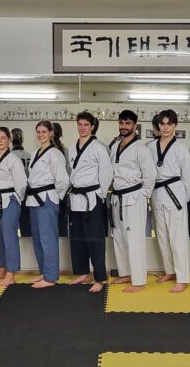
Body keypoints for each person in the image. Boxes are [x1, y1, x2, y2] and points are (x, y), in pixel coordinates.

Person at [109, 110, 157, 293]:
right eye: (121, 123)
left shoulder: (141, 148)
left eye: (127, 123)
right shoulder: (115, 146)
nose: (123, 127)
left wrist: (143, 196)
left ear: (135, 126)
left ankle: (139, 281)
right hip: (117, 197)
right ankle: (126, 273)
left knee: (134, 239)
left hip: (134, 197)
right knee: (119, 237)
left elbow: (150, 175)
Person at [150, 109, 190, 293]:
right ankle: (169, 271)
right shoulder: (150, 146)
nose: (165, 127)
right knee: (161, 235)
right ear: (158, 126)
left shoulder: (180, 148)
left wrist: (183, 196)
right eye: (162, 124)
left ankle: (182, 277)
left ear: (175, 125)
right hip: (157, 192)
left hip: (175, 192)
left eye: (169, 124)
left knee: (177, 237)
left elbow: (189, 174)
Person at [67, 112, 113, 293]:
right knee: (77, 238)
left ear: (92, 126)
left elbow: (107, 173)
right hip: (76, 197)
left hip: (92, 198)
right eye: (80, 124)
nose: (82, 127)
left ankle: (100, 278)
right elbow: (72, 172)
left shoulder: (98, 148)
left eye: (86, 124)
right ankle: (83, 272)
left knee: (95, 240)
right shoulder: (72, 147)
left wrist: (100, 195)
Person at [25, 121, 70, 288]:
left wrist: (54, 198)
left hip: (47, 198)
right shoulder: (36, 152)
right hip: (34, 199)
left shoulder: (55, 154)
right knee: (37, 238)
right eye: (38, 132)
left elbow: (63, 181)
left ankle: (51, 277)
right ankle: (44, 271)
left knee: (48, 238)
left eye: (44, 131)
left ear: (51, 133)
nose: (41, 135)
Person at [0, 127, 27, 287]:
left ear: (9, 140)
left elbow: (22, 184)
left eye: (3, 137)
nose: (0, 140)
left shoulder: (13, 160)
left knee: (9, 238)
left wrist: (15, 199)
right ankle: (2, 268)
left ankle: (11, 273)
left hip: (10, 200)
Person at [11, 128, 33, 237]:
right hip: (28, 193)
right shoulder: (30, 156)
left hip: (13, 194)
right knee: (26, 224)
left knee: (11, 225)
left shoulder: (8, 157)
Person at [53, 122, 69, 237]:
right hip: (63, 193)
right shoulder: (65, 150)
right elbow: (69, 171)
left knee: (51, 225)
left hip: (51, 193)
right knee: (62, 224)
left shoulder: (49, 151)